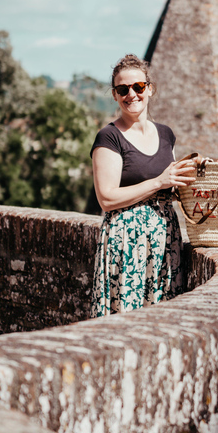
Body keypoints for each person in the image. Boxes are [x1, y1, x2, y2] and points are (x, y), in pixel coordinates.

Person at [90, 54, 195, 317]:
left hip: (165, 240)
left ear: (150, 89)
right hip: (126, 240)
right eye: (122, 89)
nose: (131, 95)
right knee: (126, 322)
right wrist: (159, 181)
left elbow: (172, 185)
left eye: (138, 87)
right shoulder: (109, 136)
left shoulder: (166, 134)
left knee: (162, 320)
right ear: (115, 95)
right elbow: (107, 199)